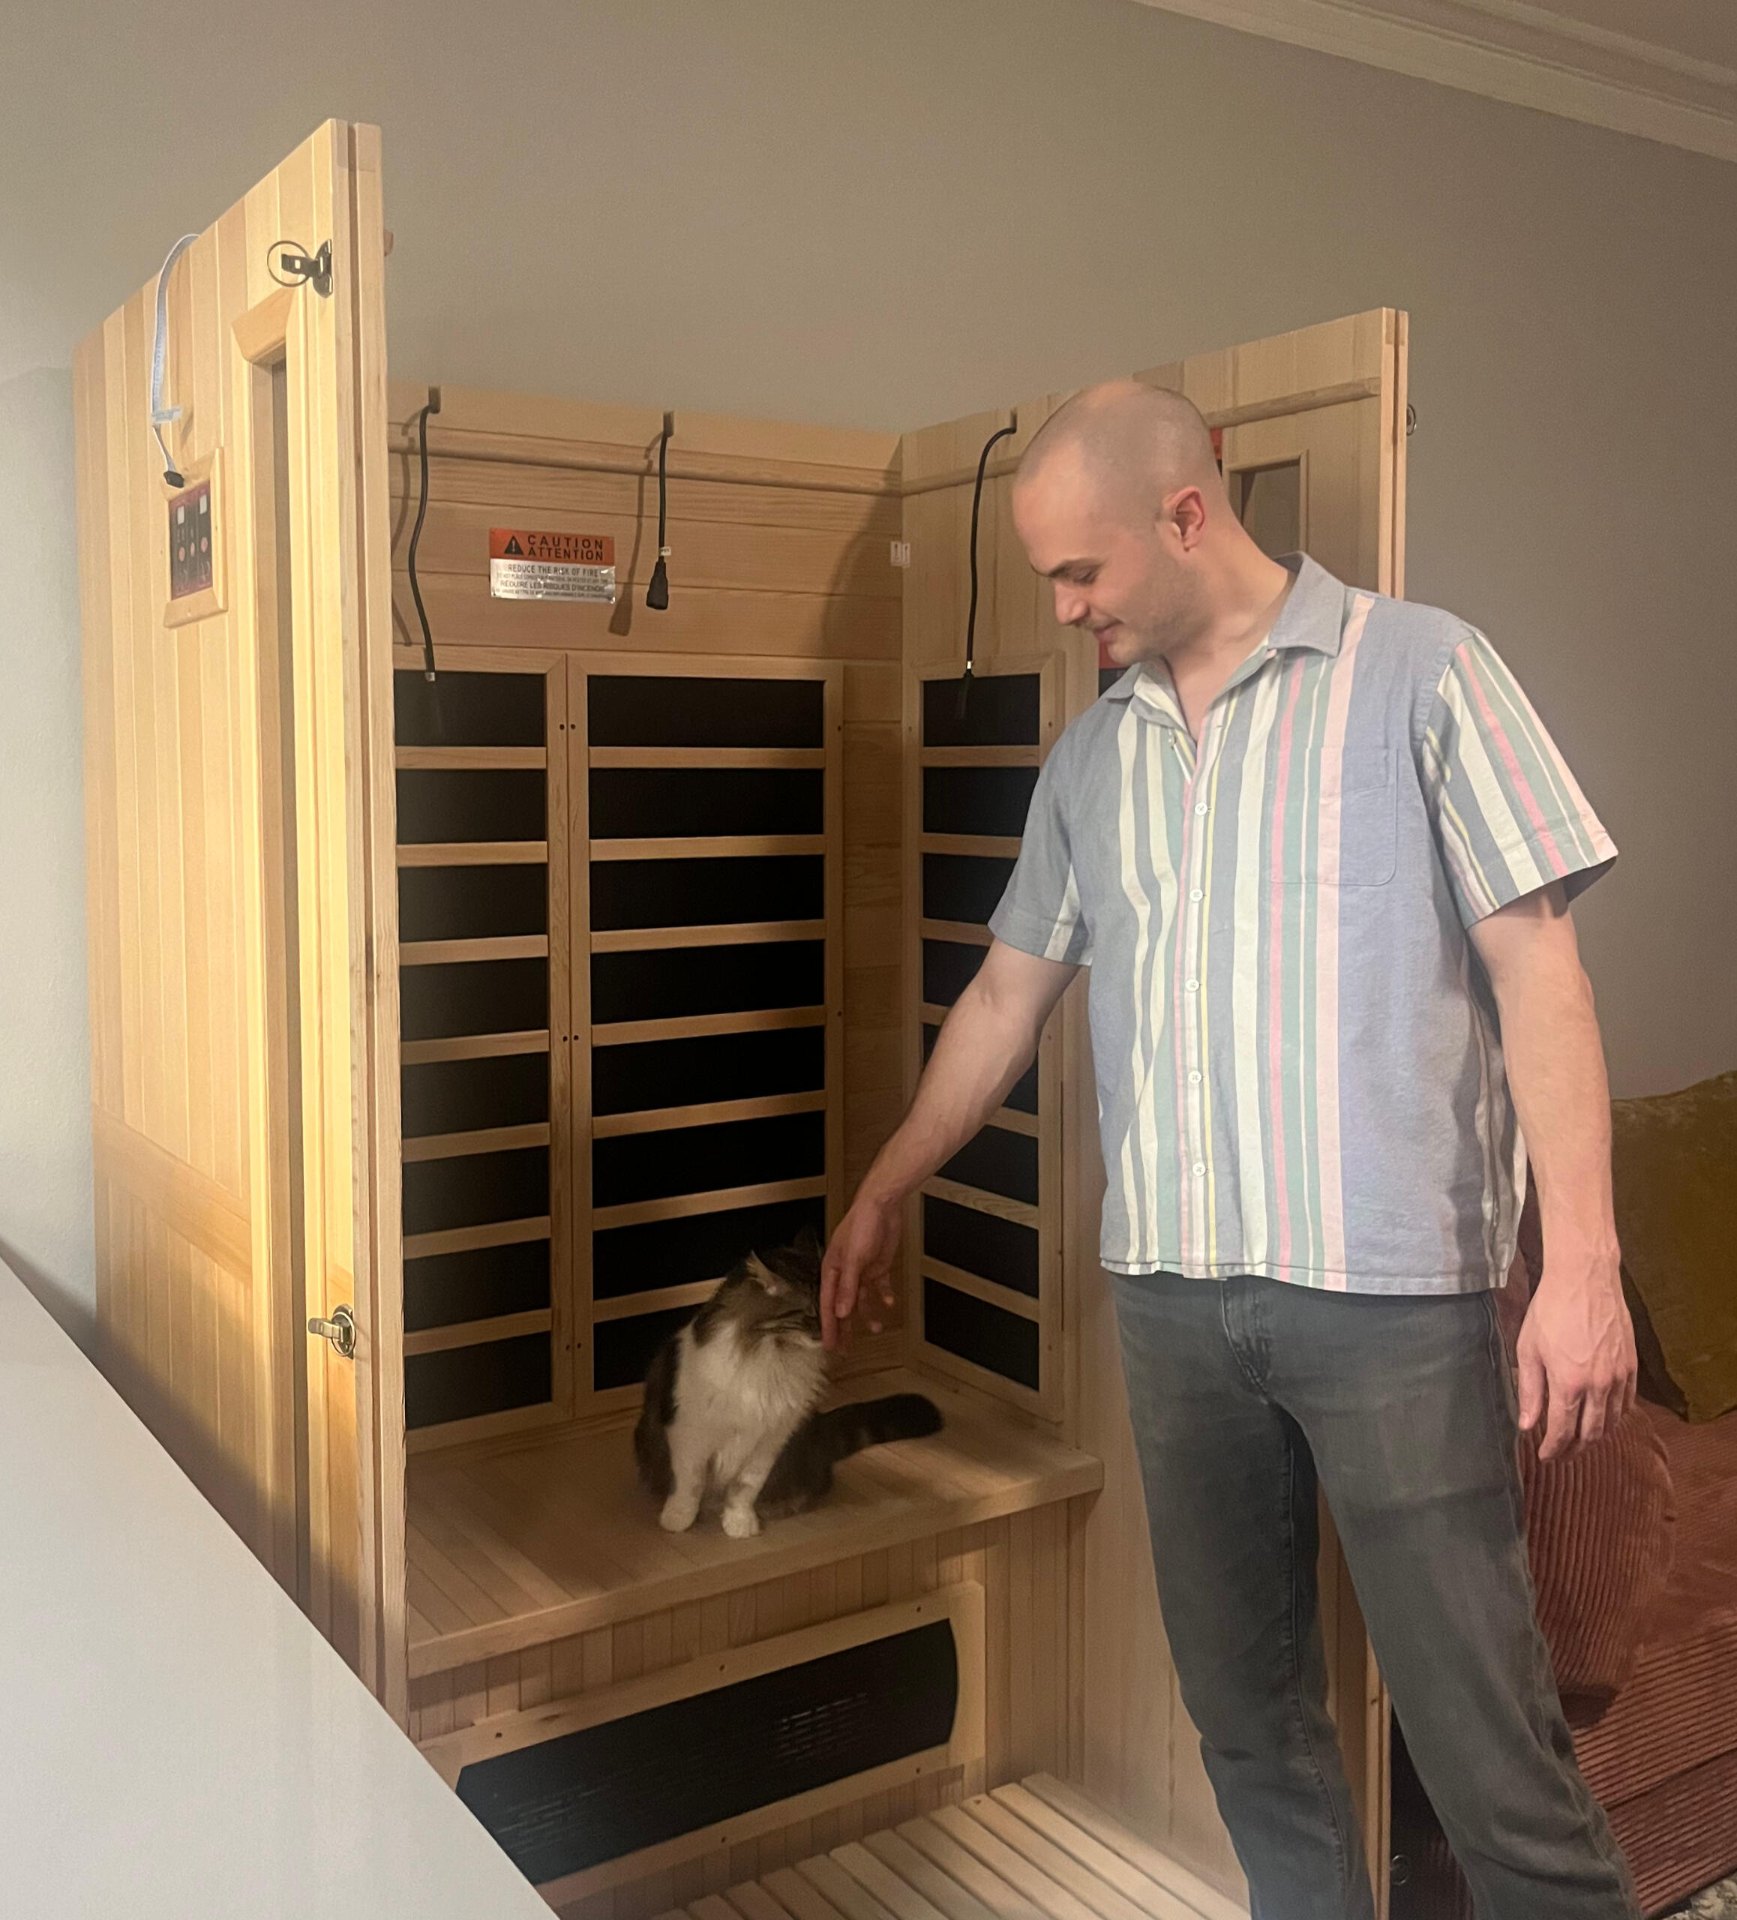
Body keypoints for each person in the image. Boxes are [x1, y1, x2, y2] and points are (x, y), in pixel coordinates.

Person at [821, 381, 1641, 1920]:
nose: (1065, 610)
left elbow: (1543, 977)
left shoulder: (1422, 673)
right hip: (1176, 1307)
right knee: (1248, 1731)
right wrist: (883, 1188)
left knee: (1488, 1755)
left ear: (1184, 516)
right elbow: (1008, 990)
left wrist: (1582, 1265)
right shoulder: (1094, 756)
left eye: (1082, 574)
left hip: (1388, 1302)